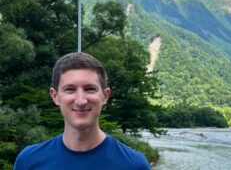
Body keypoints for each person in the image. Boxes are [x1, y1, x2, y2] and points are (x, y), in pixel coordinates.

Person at [14, 52, 150, 170]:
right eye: (70, 89)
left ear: (105, 96)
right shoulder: (29, 161)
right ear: (55, 96)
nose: (81, 100)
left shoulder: (134, 165)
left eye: (90, 89)